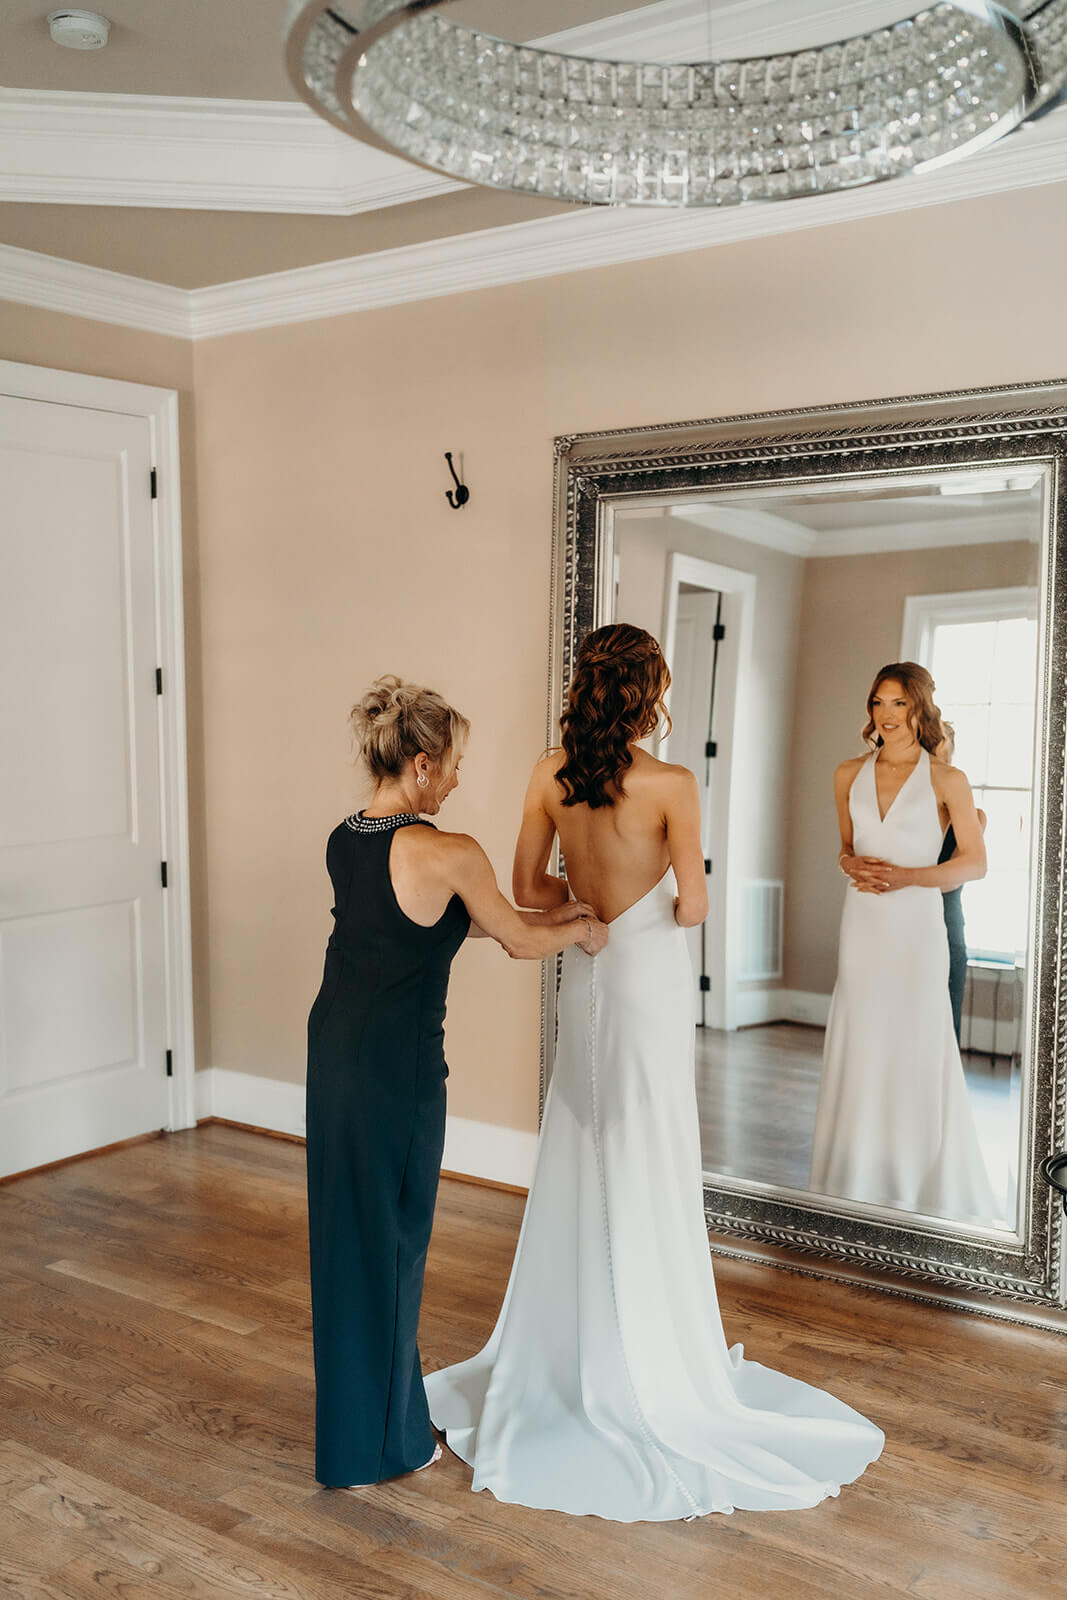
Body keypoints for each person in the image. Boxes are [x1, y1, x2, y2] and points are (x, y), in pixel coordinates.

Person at [425, 624, 884, 1522]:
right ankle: (654, 1347)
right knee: (647, 1140)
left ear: (585, 687)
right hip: (647, 978)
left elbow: (528, 887)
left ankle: (569, 1345)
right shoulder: (673, 783)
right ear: (648, 693)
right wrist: (646, 904)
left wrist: (588, 901)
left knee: (582, 1136)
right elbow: (694, 907)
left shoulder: (547, 772)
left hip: (588, 971)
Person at [306, 675, 608, 1491]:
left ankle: (367, 1426)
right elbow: (512, 940)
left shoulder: (346, 837)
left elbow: (458, 922)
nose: (459, 779)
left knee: (348, 1240)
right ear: (421, 763)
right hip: (394, 1072)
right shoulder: (447, 847)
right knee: (395, 1244)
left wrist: (552, 918)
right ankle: (387, 1445)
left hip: (333, 1051)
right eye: (455, 763)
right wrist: (581, 925)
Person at [809, 662, 997, 1223]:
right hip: (863, 925)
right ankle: (854, 1178)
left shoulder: (947, 780)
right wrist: (851, 863)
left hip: (917, 929)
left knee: (916, 1038)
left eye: (898, 704)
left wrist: (907, 878)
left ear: (920, 708)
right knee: (861, 1037)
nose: (886, 716)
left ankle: (914, 1184)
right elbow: (844, 848)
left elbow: (975, 863)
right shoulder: (847, 773)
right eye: (877, 703)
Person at [936, 726, 987, 1044]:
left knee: (945, 1022)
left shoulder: (972, 815)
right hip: (900, 924)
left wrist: (901, 880)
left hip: (946, 926)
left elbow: (952, 878)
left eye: (939, 746)